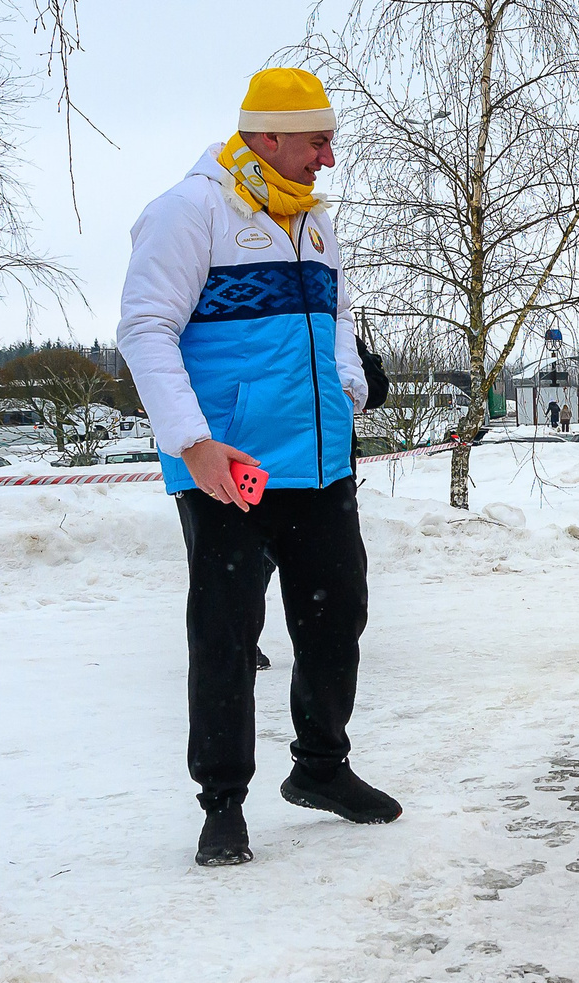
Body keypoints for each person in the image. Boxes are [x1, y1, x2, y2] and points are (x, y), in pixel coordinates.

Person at [117, 66, 392, 869]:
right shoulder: (189, 212)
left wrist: (347, 389)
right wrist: (193, 443)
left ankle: (321, 769)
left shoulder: (313, 222)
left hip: (319, 462)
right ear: (267, 138)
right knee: (228, 635)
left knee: (336, 616)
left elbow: (337, 320)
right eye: (317, 142)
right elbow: (145, 330)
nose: (329, 159)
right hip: (229, 465)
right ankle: (223, 803)